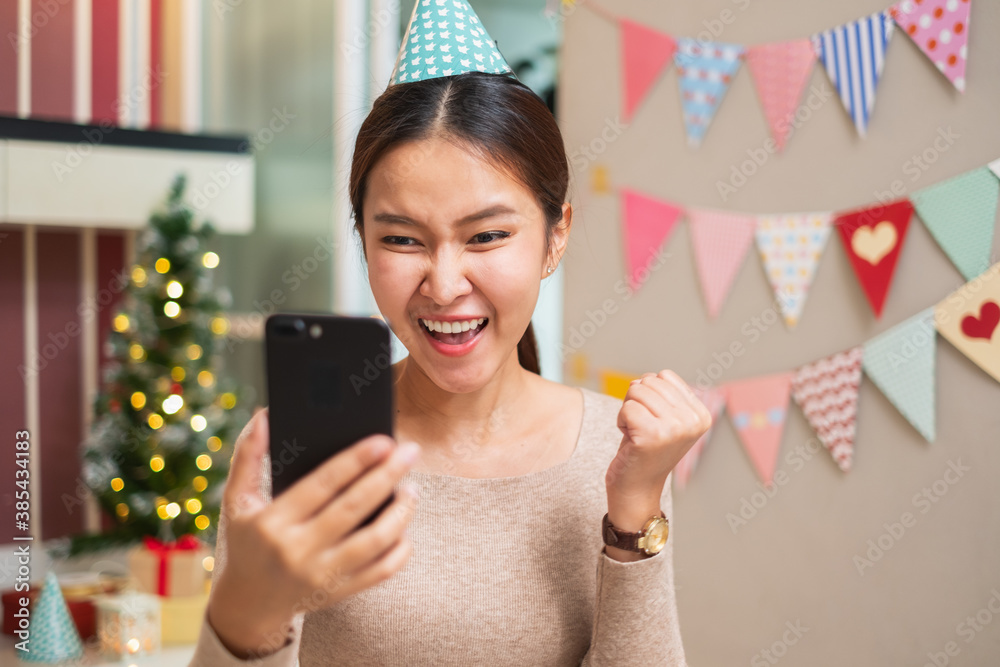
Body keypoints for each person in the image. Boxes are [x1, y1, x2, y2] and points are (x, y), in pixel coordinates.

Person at [188, 2, 711, 665]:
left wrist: (634, 514)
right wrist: (244, 611)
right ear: (362, 240)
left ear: (556, 236)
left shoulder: (617, 454)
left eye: (487, 235)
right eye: (402, 238)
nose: (443, 283)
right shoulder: (293, 453)